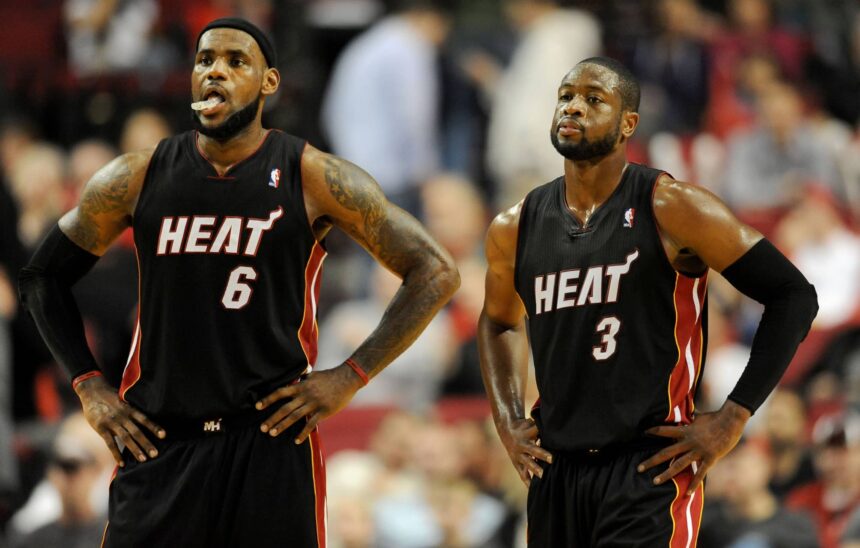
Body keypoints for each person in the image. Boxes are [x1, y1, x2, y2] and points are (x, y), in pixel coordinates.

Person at [18, 17, 459, 547]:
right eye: (205, 61)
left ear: (268, 82)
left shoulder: (312, 175)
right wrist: (90, 387)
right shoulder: (137, 176)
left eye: (235, 61)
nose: (216, 73)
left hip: (268, 443)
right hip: (161, 442)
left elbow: (435, 270)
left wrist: (349, 376)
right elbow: (42, 276)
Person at [477, 56, 818, 546]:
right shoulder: (516, 226)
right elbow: (498, 323)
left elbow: (793, 296)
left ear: (627, 124)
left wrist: (733, 416)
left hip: (649, 468)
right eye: (566, 96)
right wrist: (509, 420)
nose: (573, 108)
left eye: (594, 100)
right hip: (555, 472)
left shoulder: (672, 206)